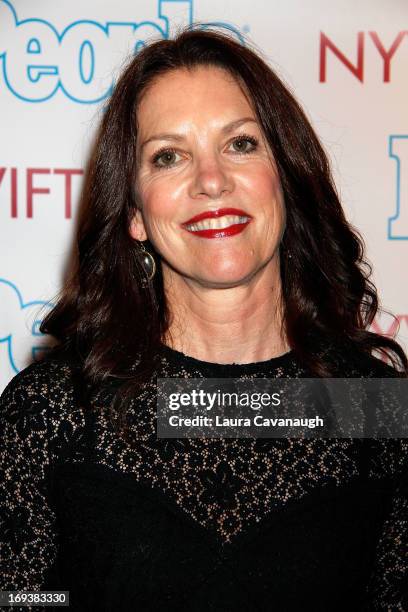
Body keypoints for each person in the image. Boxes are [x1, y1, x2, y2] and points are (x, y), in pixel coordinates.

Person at [1, 26, 407, 612]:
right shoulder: (51, 413)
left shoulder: (377, 410)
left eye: (240, 144)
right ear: (135, 213)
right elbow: (22, 600)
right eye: (168, 157)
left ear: (286, 179)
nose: (211, 182)